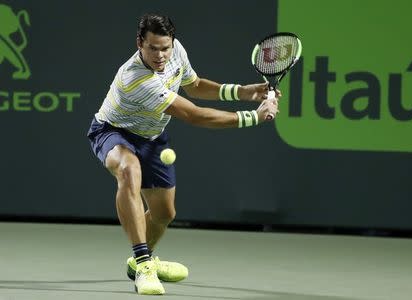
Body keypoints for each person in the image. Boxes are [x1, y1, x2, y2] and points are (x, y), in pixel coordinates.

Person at [87, 13, 280, 295]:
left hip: (152, 138)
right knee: (129, 169)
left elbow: (194, 85)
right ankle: (143, 263)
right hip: (113, 131)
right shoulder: (136, 78)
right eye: (153, 48)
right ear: (139, 43)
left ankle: (140, 261)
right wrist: (253, 116)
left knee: (165, 213)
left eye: (165, 48)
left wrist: (244, 91)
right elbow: (194, 115)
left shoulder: (176, 51)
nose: (161, 55)